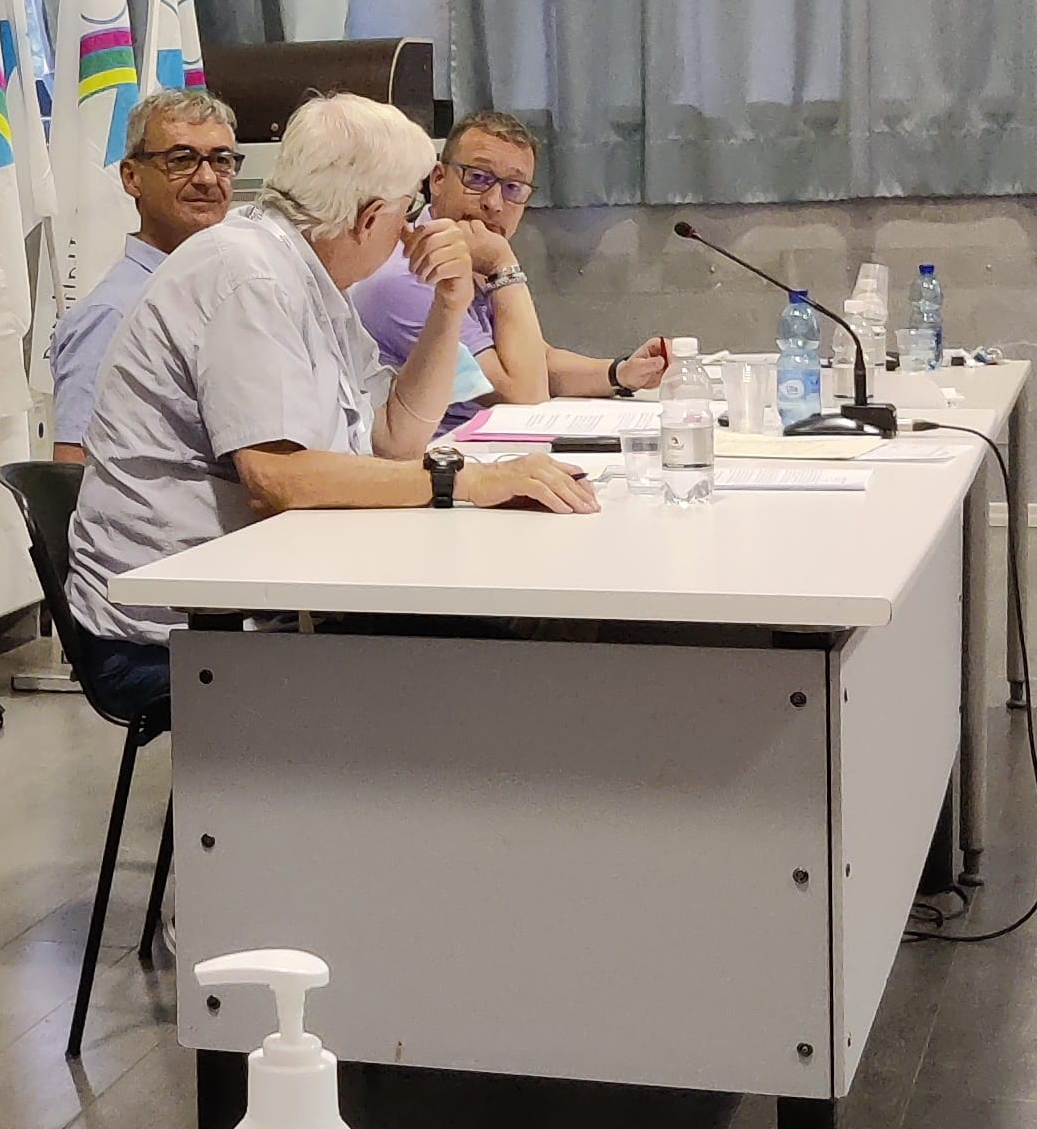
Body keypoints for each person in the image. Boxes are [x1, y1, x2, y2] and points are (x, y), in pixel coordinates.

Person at [63, 93, 599, 726]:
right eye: (407, 212)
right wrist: (466, 481)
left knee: (515, 636)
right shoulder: (248, 275)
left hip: (262, 591)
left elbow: (394, 437)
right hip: (175, 631)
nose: (412, 231)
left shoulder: (307, 271)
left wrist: (449, 305)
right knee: (510, 661)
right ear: (369, 218)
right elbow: (278, 481)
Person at [351, 110, 671, 419]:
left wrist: (620, 372)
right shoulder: (409, 276)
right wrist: (502, 265)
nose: (494, 203)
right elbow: (522, 396)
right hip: (440, 450)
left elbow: (537, 360)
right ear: (438, 179)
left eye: (513, 188)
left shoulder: (470, 256)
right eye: (478, 178)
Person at [47, 86, 242, 460]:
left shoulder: (223, 290)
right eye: (181, 160)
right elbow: (74, 467)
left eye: (221, 161)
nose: (206, 178)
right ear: (132, 177)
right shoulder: (113, 315)